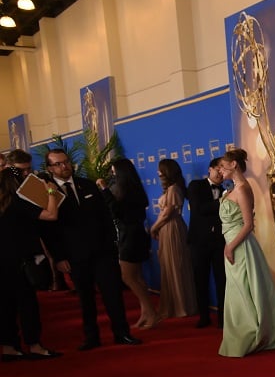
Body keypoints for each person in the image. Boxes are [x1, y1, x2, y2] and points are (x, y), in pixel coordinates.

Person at [44, 148, 140, 350]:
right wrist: (59, 257)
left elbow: (105, 216)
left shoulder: (86, 184)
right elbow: (49, 230)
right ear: (49, 168)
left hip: (103, 251)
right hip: (74, 255)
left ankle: (122, 333)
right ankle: (91, 337)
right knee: (85, 298)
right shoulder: (48, 193)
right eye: (58, 164)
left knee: (113, 294)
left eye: (66, 162)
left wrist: (112, 243)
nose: (64, 166)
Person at [216, 148, 275, 358]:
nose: (220, 169)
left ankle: (251, 333)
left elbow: (248, 225)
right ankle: (242, 333)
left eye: (223, 165)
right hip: (233, 246)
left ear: (234, 165)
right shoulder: (232, 189)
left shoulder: (242, 189)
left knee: (245, 289)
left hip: (240, 247)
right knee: (238, 290)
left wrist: (230, 247)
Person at [0, 162, 62, 360]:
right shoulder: (20, 202)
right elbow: (51, 215)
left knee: (5, 306)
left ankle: (9, 347)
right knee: (27, 305)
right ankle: (34, 345)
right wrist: (51, 191)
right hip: (21, 262)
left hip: (3, 263)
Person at [98, 158, 158, 329]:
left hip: (129, 237)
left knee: (128, 277)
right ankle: (145, 313)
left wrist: (104, 189)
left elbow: (116, 211)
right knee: (137, 277)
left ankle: (151, 313)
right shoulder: (135, 188)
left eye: (113, 171)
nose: (112, 174)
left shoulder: (122, 190)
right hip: (137, 234)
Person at [186, 158, 229, 329]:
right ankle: (204, 316)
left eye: (222, 170)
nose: (220, 173)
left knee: (222, 281)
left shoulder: (227, 188)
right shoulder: (196, 186)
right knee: (200, 280)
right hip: (199, 242)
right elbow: (199, 209)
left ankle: (223, 318)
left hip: (220, 242)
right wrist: (224, 201)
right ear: (210, 169)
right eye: (217, 169)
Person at [152, 158, 197, 319]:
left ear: (167, 172)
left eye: (160, 170)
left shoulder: (173, 189)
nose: (158, 173)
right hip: (168, 228)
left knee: (175, 266)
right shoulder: (171, 189)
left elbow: (166, 214)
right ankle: (177, 305)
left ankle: (180, 306)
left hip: (172, 228)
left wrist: (153, 227)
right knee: (170, 266)